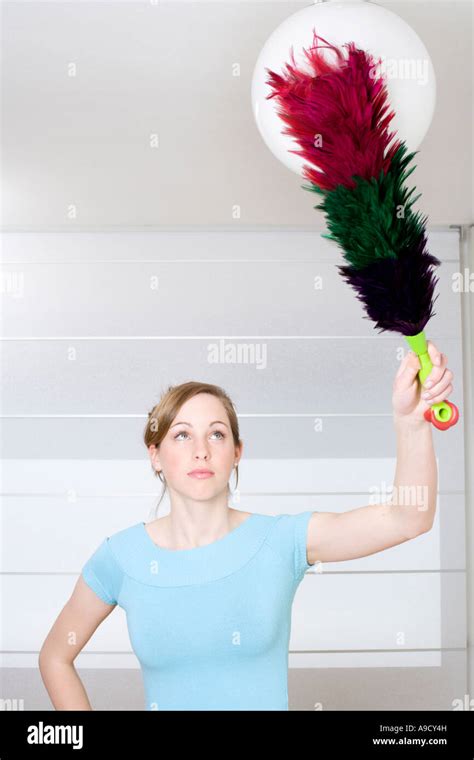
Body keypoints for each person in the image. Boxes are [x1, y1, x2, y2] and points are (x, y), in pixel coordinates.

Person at [38, 341, 453, 710]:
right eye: (181, 435)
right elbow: (55, 656)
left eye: (216, 434)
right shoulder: (121, 557)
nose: (201, 450)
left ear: (237, 453)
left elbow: (409, 517)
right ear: (155, 454)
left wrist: (411, 423)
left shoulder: (281, 540)